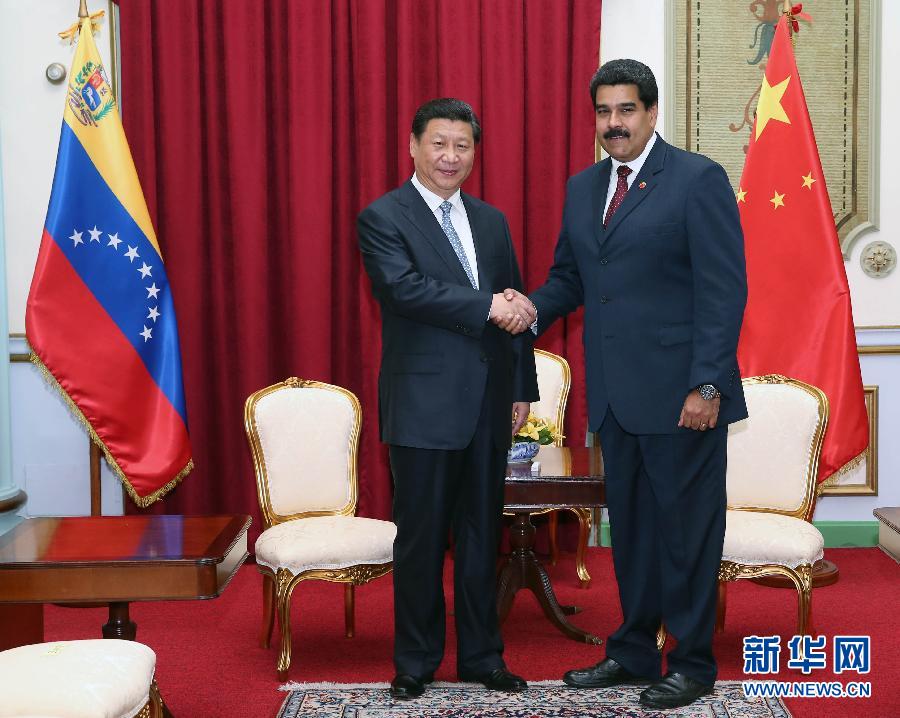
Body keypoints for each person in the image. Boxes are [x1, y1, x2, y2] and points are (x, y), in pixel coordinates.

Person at [518, 59, 748, 710]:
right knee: (635, 535)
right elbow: (571, 278)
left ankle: (692, 663)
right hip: (617, 399)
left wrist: (707, 386)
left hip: (683, 399)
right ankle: (634, 651)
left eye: (626, 110)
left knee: (687, 535)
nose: (613, 123)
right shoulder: (583, 187)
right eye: (603, 111)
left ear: (651, 112)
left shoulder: (697, 179)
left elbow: (724, 290)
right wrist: (525, 312)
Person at [358, 98, 539, 700]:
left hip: (489, 403)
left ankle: (484, 656)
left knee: (482, 536)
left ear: (474, 153)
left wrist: (521, 387)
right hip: (423, 406)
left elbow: (516, 304)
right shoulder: (384, 217)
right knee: (421, 539)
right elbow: (403, 289)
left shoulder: (491, 221)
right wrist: (488, 306)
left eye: (462, 146)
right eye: (439, 143)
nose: (450, 156)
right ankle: (416, 661)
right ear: (413, 146)